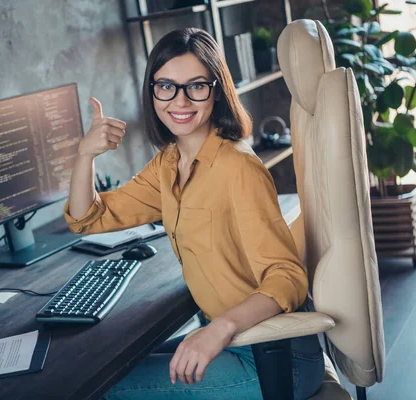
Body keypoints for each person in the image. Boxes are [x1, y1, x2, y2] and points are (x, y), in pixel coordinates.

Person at [64, 28, 325, 400]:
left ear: (216, 90)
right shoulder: (169, 163)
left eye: (196, 86)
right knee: (104, 373)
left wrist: (218, 329)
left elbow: (287, 277)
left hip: (275, 360)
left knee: (98, 390)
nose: (180, 101)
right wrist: (85, 155)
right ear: (152, 90)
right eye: (166, 86)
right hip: (234, 343)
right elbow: (88, 217)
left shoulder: (238, 168)